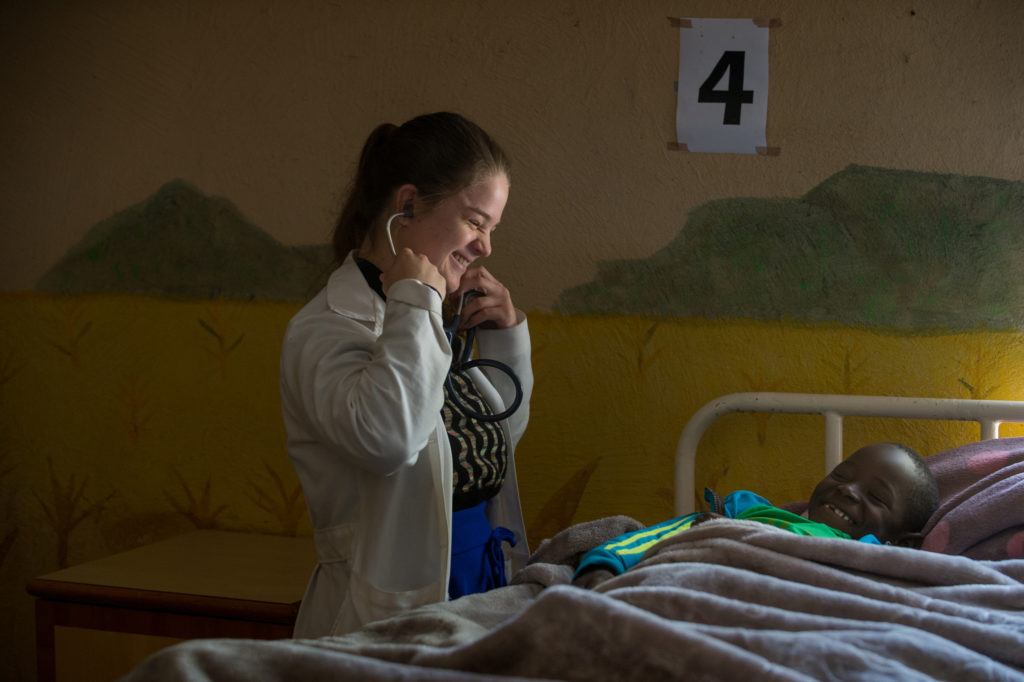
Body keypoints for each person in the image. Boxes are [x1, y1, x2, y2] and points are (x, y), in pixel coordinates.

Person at [280, 112, 533, 638]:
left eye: (492, 229)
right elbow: (387, 438)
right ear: (408, 204)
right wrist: (417, 300)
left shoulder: (429, 316)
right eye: (475, 221)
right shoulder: (325, 328)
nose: (486, 246)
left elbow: (497, 444)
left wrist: (506, 337)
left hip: (477, 586)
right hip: (382, 611)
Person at [574, 442, 939, 581]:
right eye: (842, 474)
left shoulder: (871, 559)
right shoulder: (753, 516)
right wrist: (606, 564)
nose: (848, 489)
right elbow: (670, 532)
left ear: (901, 543)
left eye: (876, 497)